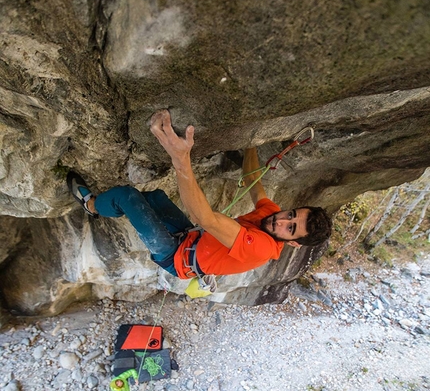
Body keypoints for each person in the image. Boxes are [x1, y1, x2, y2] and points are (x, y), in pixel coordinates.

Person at [67, 109, 331, 281]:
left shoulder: (263, 248)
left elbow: (206, 218)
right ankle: (109, 205)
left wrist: (181, 158)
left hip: (175, 257)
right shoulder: (271, 214)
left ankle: (91, 205)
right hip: (189, 236)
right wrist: (254, 140)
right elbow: (253, 179)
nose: (282, 221)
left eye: (291, 228)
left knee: (127, 196)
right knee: (156, 197)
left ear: (293, 243)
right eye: (291, 215)